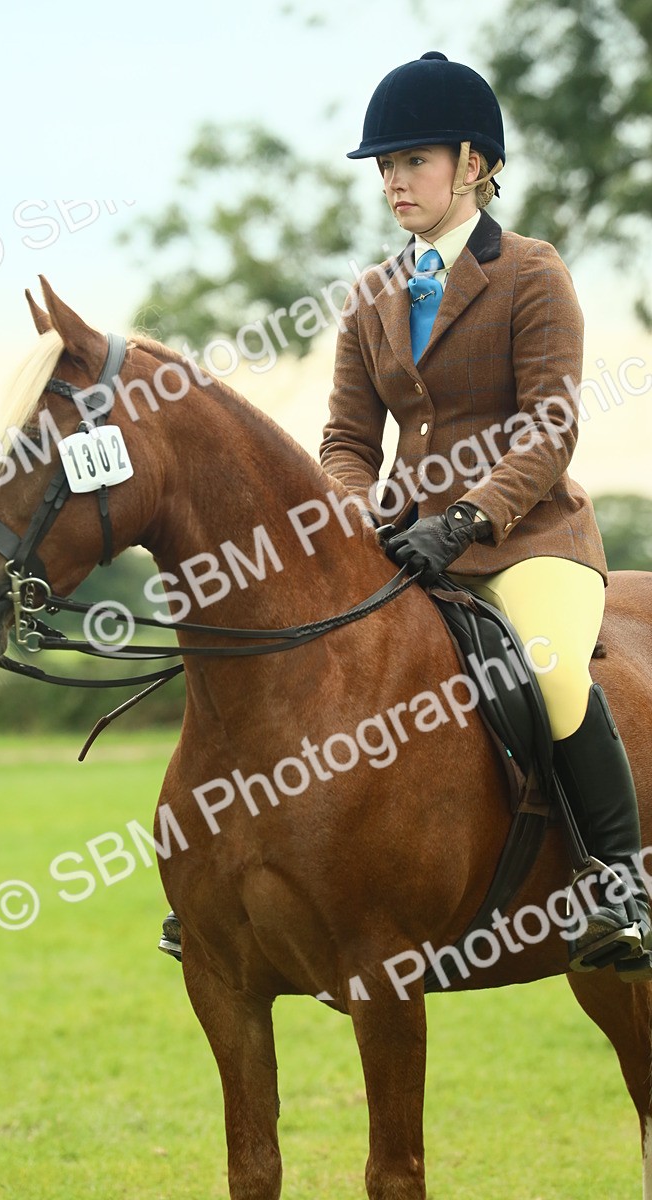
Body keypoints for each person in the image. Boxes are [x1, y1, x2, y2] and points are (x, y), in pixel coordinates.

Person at [320, 50, 652, 980]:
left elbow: (550, 428)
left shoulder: (534, 275)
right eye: (384, 167)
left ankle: (619, 884)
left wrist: (464, 518)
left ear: (473, 164)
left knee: (549, 673)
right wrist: (360, 512)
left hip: (525, 539)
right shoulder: (371, 296)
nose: (394, 181)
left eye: (412, 161)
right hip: (405, 543)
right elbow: (345, 438)